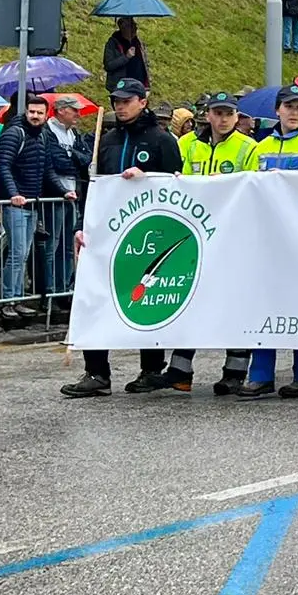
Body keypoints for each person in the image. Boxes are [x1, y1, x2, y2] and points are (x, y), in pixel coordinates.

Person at [62, 80, 185, 397]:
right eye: (116, 100)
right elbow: (92, 190)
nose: (120, 105)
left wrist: (149, 179)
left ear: (143, 102)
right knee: (97, 296)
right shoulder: (107, 140)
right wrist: (82, 226)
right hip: (108, 235)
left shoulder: (162, 141)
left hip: (149, 235)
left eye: (127, 100)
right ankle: (97, 373)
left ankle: (151, 369)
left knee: (144, 299)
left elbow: (178, 186)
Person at [148, 91, 259, 396]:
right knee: (190, 300)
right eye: (217, 113)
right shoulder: (186, 145)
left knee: (234, 304)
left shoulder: (249, 148)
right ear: (207, 115)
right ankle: (180, 372)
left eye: (229, 114)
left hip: (232, 238)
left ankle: (234, 372)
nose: (223, 119)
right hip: (193, 237)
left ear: (237, 117)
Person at [237, 84, 298, 398]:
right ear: (277, 110)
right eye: (288, 107)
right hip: (266, 240)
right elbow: (244, 189)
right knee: (263, 304)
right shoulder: (260, 147)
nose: (294, 112)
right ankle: (261, 375)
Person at [0, 96, 66, 323]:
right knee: (17, 253)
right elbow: (2, 165)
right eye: (31, 112)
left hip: (32, 202)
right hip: (15, 204)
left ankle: (17, 298)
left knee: (22, 254)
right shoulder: (15, 134)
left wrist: (64, 191)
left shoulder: (42, 136)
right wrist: (14, 193)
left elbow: (47, 169)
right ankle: (8, 301)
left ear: (46, 115)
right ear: (26, 112)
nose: (35, 116)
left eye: (39, 113)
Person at [40, 97, 89, 300]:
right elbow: (56, 161)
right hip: (55, 194)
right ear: (60, 110)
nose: (78, 114)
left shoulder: (74, 133)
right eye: (74, 110)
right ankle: (50, 290)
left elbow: (85, 160)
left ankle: (64, 288)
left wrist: (73, 159)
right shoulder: (48, 132)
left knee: (69, 245)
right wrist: (74, 160)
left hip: (73, 193)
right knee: (53, 244)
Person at [103, 17, 150, 91]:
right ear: (123, 28)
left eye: (135, 25)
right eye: (132, 26)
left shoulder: (138, 42)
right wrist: (126, 57)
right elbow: (109, 65)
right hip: (120, 87)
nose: (135, 28)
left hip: (139, 86)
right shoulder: (113, 43)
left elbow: (145, 63)